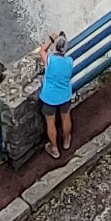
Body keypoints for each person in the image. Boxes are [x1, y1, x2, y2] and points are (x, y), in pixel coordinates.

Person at [38, 32, 75, 160]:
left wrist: (50, 40)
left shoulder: (50, 61)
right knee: (66, 118)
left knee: (51, 123)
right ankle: (66, 141)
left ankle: (54, 148)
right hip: (64, 96)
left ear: (55, 47)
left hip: (49, 98)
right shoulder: (69, 61)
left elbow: (42, 51)